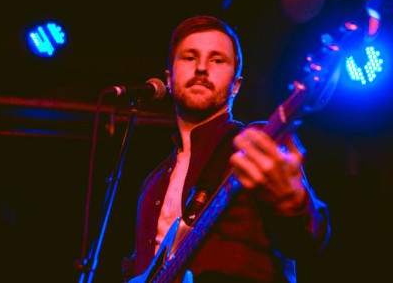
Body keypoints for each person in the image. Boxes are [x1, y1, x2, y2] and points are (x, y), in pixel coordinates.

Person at [122, 15, 330, 283]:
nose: (201, 68)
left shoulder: (256, 143)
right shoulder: (151, 184)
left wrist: (293, 202)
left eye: (217, 60)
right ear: (169, 79)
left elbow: (306, 243)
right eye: (189, 57)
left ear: (236, 85)